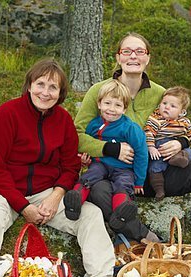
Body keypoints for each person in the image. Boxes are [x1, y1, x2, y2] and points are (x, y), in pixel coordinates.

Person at [0, 59, 137, 277]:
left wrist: (56, 197)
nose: (45, 92)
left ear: (61, 92)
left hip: (47, 191)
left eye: (53, 87)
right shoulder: (6, 115)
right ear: (29, 85)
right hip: (8, 192)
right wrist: (23, 207)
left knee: (89, 215)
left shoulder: (63, 121)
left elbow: (69, 167)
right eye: (40, 84)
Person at [74, 33, 191, 277]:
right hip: (113, 174)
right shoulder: (100, 91)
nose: (133, 56)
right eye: (127, 51)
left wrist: (180, 143)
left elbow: (181, 126)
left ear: (148, 58)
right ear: (117, 57)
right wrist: (108, 149)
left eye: (139, 51)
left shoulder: (160, 93)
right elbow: (76, 135)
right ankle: (147, 236)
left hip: (152, 174)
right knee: (97, 188)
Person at [63, 79, 148, 232]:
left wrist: (139, 181)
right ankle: (75, 200)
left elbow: (142, 153)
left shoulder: (131, 128)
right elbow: (87, 144)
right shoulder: (94, 125)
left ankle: (121, 212)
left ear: (124, 109)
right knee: (91, 175)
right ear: (99, 104)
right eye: (107, 103)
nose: (111, 109)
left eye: (118, 105)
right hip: (100, 164)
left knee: (123, 184)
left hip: (124, 168)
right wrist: (84, 158)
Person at [146, 86, 191, 200]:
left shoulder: (184, 122)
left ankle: (179, 159)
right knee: (154, 167)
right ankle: (159, 190)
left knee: (188, 151)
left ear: (181, 112)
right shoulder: (156, 119)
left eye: (173, 106)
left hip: (178, 149)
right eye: (164, 103)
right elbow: (149, 132)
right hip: (161, 148)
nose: (166, 107)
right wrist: (151, 147)